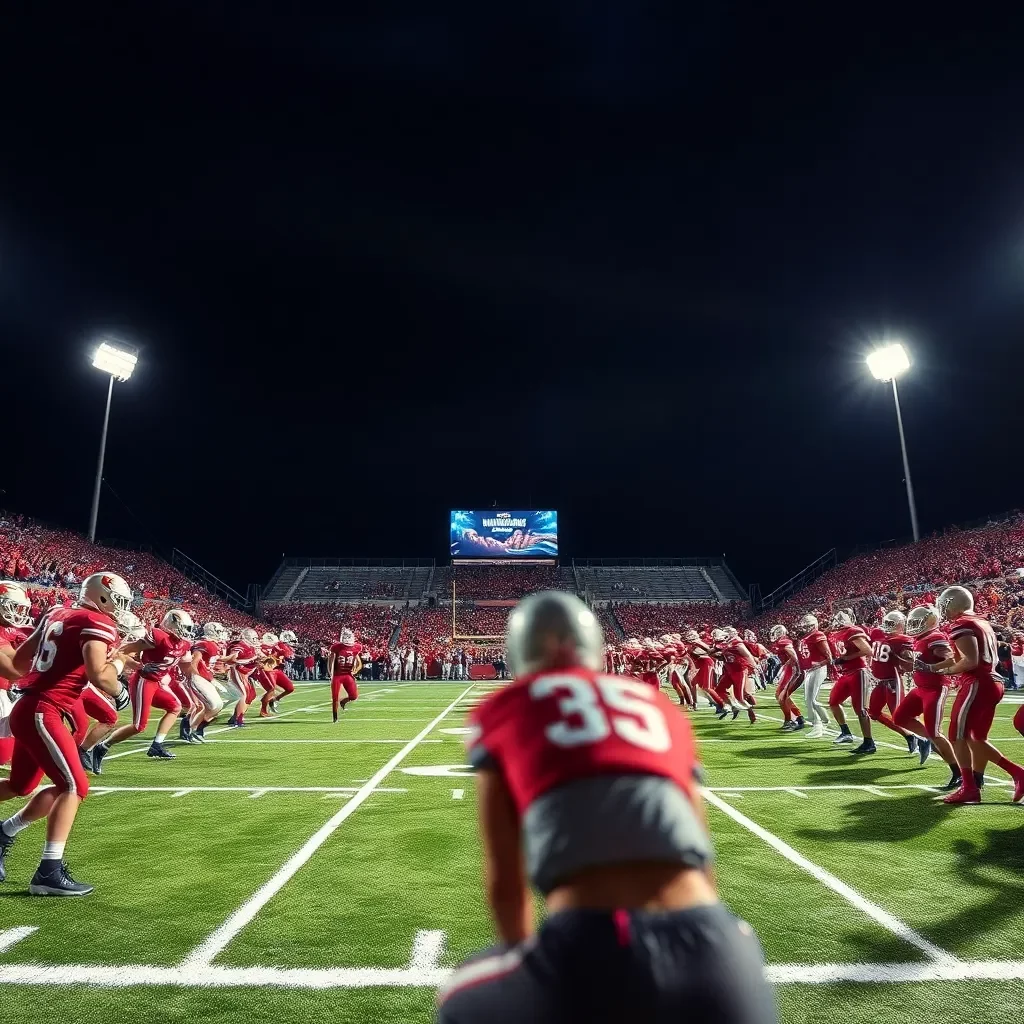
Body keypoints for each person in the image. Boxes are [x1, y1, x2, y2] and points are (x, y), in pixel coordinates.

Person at [437, 592, 776, 1024]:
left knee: (457, 997)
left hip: (590, 943)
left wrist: (526, 959)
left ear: (519, 652)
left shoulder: (504, 709)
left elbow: (506, 878)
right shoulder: (659, 707)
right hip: (716, 947)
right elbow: (700, 850)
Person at [0, 572, 132, 895]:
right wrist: (119, 682)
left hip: (29, 707)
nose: (119, 608)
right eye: (118, 601)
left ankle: (5, 833)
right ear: (102, 597)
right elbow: (98, 675)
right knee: (75, 785)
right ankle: (48, 870)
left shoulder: (56, 613)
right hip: (44, 710)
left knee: (23, 784)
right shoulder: (97, 622)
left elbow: (18, 664)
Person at [923, 586, 1024, 805]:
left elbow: (970, 660)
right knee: (977, 738)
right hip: (991, 682)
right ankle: (977, 781)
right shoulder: (981, 622)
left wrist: (947, 671)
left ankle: (973, 786)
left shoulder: (962, 624)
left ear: (952, 603)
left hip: (977, 682)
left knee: (956, 735)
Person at [90, 608, 197, 767]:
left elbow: (184, 663)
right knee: (139, 726)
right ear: (172, 624)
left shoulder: (184, 644)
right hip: (143, 681)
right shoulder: (159, 637)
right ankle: (102, 746)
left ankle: (157, 745)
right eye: (184, 627)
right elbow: (123, 651)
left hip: (157, 683)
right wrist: (140, 666)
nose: (186, 632)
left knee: (175, 707)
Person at [892, 605, 961, 790]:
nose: (914, 625)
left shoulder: (935, 637)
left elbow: (953, 659)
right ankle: (927, 740)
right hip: (920, 688)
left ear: (930, 621)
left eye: (918, 622)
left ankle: (958, 772)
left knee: (935, 732)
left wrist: (930, 668)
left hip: (935, 688)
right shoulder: (920, 639)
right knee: (899, 717)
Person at [867, 611, 918, 755]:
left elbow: (909, 664)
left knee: (899, 716)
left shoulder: (902, 640)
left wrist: (901, 659)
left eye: (891, 623)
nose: (889, 626)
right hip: (880, 682)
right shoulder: (877, 632)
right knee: (874, 712)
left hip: (893, 681)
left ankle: (924, 737)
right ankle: (910, 736)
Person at [827, 611, 875, 754]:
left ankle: (869, 742)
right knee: (833, 701)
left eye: (841, 619)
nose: (838, 621)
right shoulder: (838, 634)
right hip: (846, 673)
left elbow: (868, 650)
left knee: (860, 709)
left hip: (858, 671)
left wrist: (847, 658)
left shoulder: (853, 631)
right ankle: (846, 732)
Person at [795, 614, 831, 738]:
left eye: (807, 625)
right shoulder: (806, 637)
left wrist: (819, 664)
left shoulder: (818, 635)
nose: (804, 627)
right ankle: (825, 719)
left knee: (811, 699)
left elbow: (829, 657)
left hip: (818, 669)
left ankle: (818, 726)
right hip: (810, 670)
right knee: (808, 699)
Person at [768, 625, 804, 731]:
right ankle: (798, 717)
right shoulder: (782, 641)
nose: (773, 635)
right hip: (789, 668)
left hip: (793, 669)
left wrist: (797, 668)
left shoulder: (784, 641)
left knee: (782, 696)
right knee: (781, 695)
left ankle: (790, 721)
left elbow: (793, 654)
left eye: (775, 632)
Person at [328, 628, 362, 721]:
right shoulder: (336, 647)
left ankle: (343, 702)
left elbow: (359, 663)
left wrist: (356, 670)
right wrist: (331, 674)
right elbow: (330, 661)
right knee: (335, 697)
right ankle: (335, 718)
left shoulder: (356, 647)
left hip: (347, 674)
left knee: (354, 696)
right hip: (337, 675)